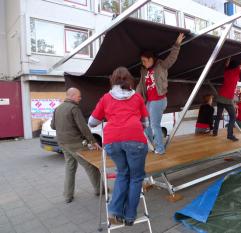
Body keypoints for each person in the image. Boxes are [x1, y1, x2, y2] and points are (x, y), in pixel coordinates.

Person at [88, 67, 149, 226]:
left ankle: (115, 211)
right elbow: (146, 123)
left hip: (112, 141)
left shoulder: (106, 98)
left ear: (112, 80)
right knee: (136, 178)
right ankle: (129, 217)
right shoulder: (137, 98)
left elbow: (92, 122)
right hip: (135, 140)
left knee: (123, 173)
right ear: (129, 80)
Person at [136, 33, 185, 155]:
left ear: (151, 58)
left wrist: (177, 44)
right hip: (149, 101)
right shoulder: (143, 71)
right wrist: (135, 97)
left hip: (159, 100)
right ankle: (150, 146)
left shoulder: (161, 66)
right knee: (145, 124)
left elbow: (172, 58)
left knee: (154, 125)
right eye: (142, 61)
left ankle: (160, 149)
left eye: (145, 60)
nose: (143, 63)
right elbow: (141, 86)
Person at [51, 87, 101, 204]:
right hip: (76, 144)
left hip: (63, 143)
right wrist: (93, 141)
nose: (80, 98)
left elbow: (53, 126)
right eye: (79, 96)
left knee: (70, 168)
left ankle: (68, 195)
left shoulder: (57, 109)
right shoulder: (74, 108)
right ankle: (100, 190)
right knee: (90, 166)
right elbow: (83, 127)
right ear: (72, 96)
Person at [212, 50, 241, 141]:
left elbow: (226, 64)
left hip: (220, 97)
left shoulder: (226, 71)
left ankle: (215, 132)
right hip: (227, 99)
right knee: (232, 117)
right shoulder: (236, 71)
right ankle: (230, 135)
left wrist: (229, 56)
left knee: (218, 115)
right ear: (236, 66)